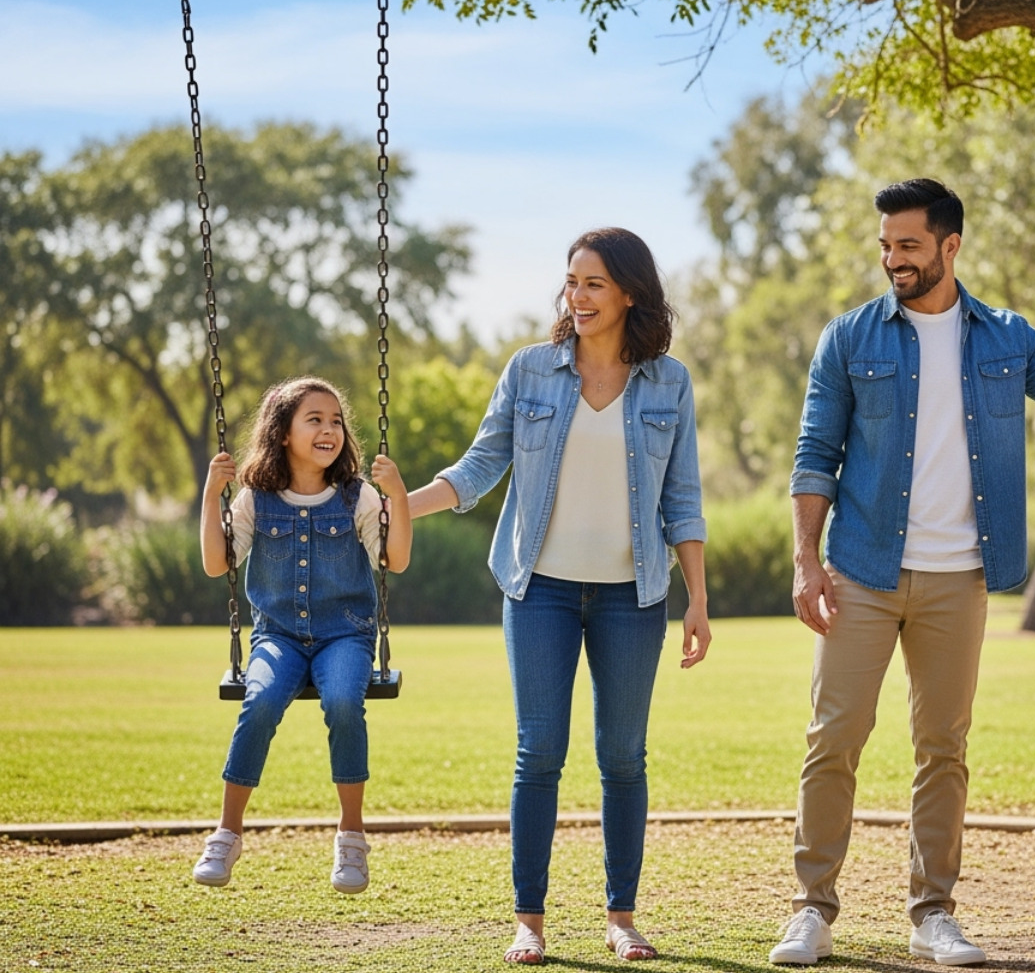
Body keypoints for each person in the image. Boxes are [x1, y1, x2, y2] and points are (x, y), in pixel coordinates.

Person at [774, 178, 1035, 967]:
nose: (892, 259)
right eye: (885, 246)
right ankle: (811, 909)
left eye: (907, 245)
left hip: (958, 577)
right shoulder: (850, 337)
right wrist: (807, 561)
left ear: (950, 246)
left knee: (943, 746)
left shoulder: (1006, 338)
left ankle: (933, 912)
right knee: (834, 738)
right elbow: (813, 459)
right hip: (862, 569)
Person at [406, 227, 711, 965]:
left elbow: (683, 498)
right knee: (538, 752)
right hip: (537, 589)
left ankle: (621, 918)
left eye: (594, 283)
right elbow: (481, 466)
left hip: (633, 596)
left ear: (630, 292)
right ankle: (529, 923)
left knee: (623, 756)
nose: (577, 296)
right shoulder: (531, 371)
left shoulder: (668, 382)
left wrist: (697, 599)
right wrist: (395, 508)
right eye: (571, 282)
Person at [193, 376, 414, 893]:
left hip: (347, 636)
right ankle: (226, 834)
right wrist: (210, 497)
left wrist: (397, 494)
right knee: (261, 699)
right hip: (279, 637)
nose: (329, 429)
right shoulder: (255, 499)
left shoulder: (356, 497)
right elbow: (215, 563)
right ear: (283, 433)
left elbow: (395, 559)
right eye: (314, 419)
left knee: (342, 700)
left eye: (335, 421)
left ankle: (352, 838)